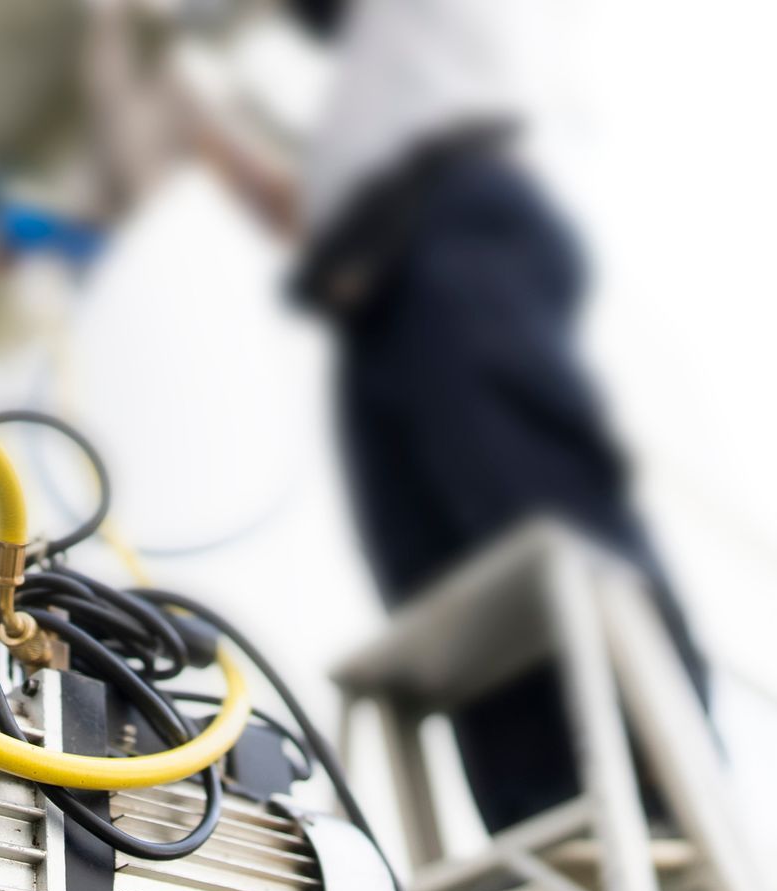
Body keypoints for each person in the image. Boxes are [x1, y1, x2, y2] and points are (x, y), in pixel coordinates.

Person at [87, 0, 708, 832]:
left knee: (529, 503)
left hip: (460, 225)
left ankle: (663, 783)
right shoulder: (367, 93)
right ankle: (545, 815)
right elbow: (304, 215)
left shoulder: (418, 31)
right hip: (375, 291)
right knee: (437, 575)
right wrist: (201, 124)